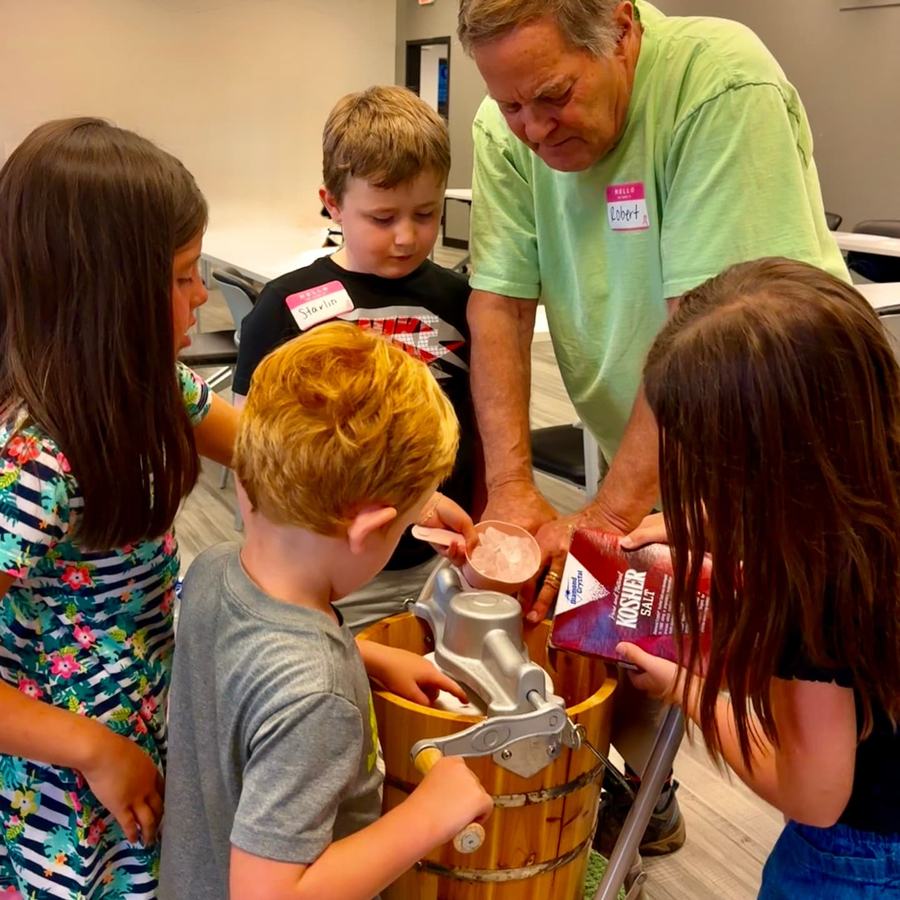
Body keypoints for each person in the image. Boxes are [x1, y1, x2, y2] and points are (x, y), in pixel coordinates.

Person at [457, 0, 849, 853]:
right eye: (510, 104)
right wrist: (514, 491)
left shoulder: (718, 83)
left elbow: (706, 340)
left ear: (623, 30)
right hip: (663, 425)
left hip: (765, 431)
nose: (529, 125)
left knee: (793, 680)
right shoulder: (505, 117)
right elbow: (497, 299)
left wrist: (603, 520)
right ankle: (635, 783)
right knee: (618, 599)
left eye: (552, 96)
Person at [159, 323, 493, 900]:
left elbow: (250, 666)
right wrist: (431, 815)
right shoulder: (318, 697)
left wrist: (361, 653)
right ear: (369, 531)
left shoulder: (213, 570)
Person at [0, 118, 238, 897]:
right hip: (60, 771)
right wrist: (93, 750)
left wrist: (410, 492)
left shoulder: (151, 385)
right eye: (181, 278)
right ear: (101, 296)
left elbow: (276, 451)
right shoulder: (35, 461)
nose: (203, 295)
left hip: (135, 709)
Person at [616, 257, 900, 898]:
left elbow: (814, 793)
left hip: (857, 863)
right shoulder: (872, 485)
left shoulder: (824, 591)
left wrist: (681, 684)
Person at [233, 85, 478, 634]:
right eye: (383, 217)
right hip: (321, 573)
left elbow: (480, 426)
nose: (407, 237)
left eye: (425, 213)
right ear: (333, 202)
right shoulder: (283, 307)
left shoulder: (461, 301)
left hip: (438, 559)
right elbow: (249, 448)